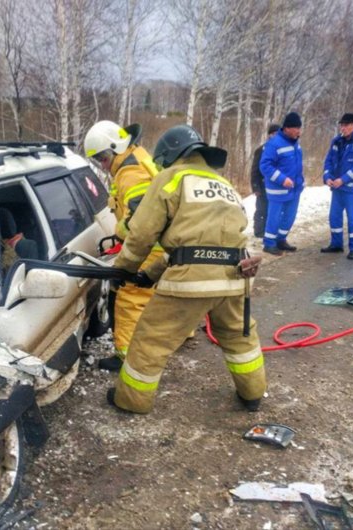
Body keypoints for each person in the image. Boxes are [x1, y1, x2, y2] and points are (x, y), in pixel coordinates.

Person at [108, 124, 267, 414]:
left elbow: (142, 235)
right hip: (234, 278)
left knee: (150, 340)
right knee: (240, 338)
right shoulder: (224, 184)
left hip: (191, 283)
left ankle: (131, 401)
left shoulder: (170, 178)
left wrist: (123, 271)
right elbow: (198, 246)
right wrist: (150, 275)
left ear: (168, 155)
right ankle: (253, 394)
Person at [83, 120, 163, 371]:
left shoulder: (130, 172)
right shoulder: (138, 157)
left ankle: (126, 357)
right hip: (161, 244)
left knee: (129, 296)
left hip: (150, 246)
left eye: (103, 159)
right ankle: (177, 336)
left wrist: (119, 233)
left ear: (114, 149)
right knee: (159, 294)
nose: (103, 166)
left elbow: (140, 219)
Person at [321, 113, 353, 260]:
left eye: (346, 125)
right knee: (334, 217)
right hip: (337, 188)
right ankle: (336, 244)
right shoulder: (337, 141)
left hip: (351, 189)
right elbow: (329, 161)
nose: (343, 128)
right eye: (341, 125)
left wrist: (343, 179)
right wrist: (327, 177)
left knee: (352, 219)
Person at [258, 112, 304, 256]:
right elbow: (265, 166)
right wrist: (282, 179)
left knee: (290, 216)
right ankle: (269, 243)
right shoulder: (274, 144)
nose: (298, 131)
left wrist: (301, 180)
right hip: (278, 190)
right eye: (296, 128)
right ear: (287, 128)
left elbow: (296, 165)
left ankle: (281, 240)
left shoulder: (296, 144)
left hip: (294, 189)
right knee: (275, 217)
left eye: (299, 128)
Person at [250, 123, 280, 238]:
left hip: (275, 186)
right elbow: (254, 170)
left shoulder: (280, 150)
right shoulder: (261, 150)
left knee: (272, 209)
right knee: (261, 209)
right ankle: (259, 231)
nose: (276, 136)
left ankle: (270, 230)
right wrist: (255, 187)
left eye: (278, 134)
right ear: (269, 135)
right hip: (262, 185)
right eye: (274, 134)